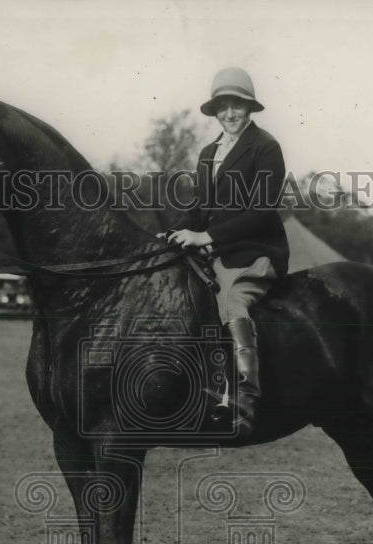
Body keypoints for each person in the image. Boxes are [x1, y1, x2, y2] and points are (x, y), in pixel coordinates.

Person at [161, 66, 289, 438]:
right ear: (215, 110)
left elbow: (262, 211)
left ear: (250, 108)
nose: (230, 114)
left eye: (238, 106)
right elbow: (199, 208)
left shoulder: (266, 147)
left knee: (232, 301)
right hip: (215, 252)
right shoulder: (208, 152)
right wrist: (174, 233)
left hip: (255, 252)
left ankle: (245, 399)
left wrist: (207, 237)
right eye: (223, 107)